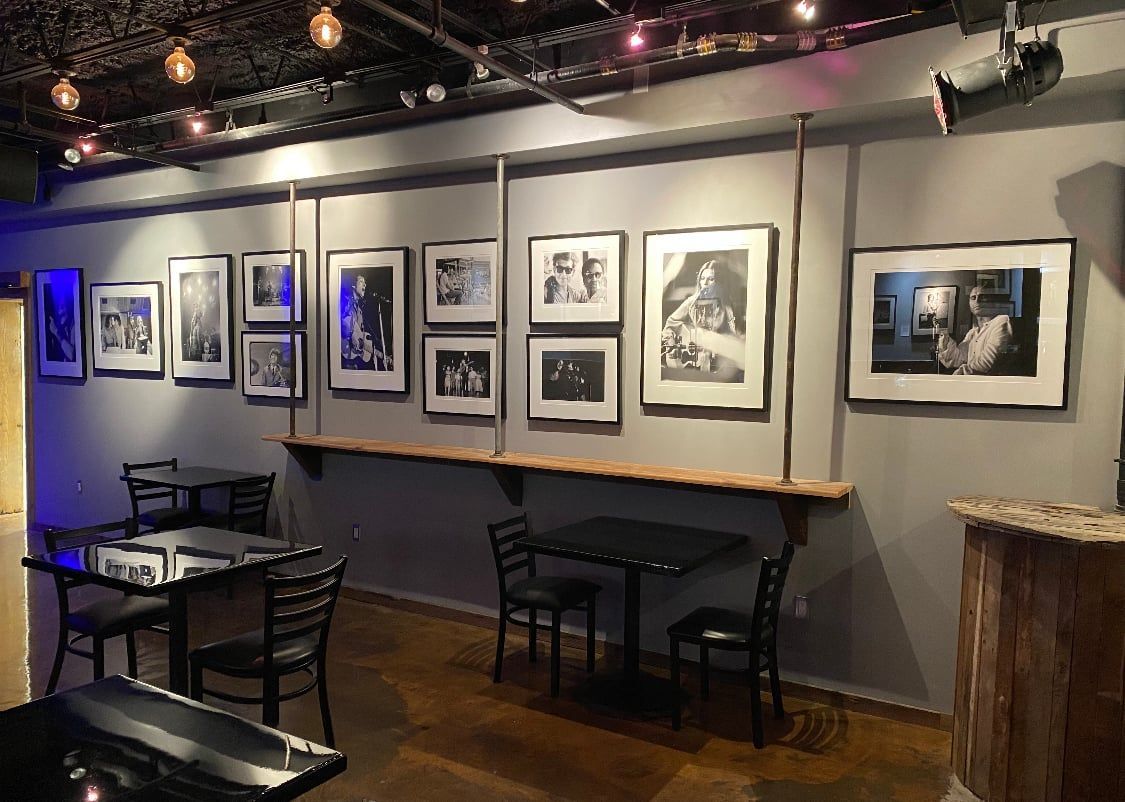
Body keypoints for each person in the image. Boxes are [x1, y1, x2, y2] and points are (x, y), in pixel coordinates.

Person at [660, 258, 741, 374]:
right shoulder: (691, 301)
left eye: (711, 279)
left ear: (719, 281)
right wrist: (671, 346)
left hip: (717, 359)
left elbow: (732, 331)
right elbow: (670, 324)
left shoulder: (725, 303)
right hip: (692, 358)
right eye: (702, 278)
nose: (705, 283)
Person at [936, 285, 1013, 375]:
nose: (977, 301)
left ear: (991, 301)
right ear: (969, 303)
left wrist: (956, 377)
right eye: (973, 297)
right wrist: (944, 341)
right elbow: (958, 359)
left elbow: (986, 363)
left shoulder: (1001, 321)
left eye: (982, 297)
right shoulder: (972, 333)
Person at [342, 274, 388, 370]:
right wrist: (351, 336)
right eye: (361, 282)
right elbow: (340, 324)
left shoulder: (360, 309)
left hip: (356, 361)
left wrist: (382, 355)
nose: (365, 285)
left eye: (365, 283)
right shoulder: (346, 302)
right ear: (353, 285)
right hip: (345, 356)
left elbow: (360, 336)